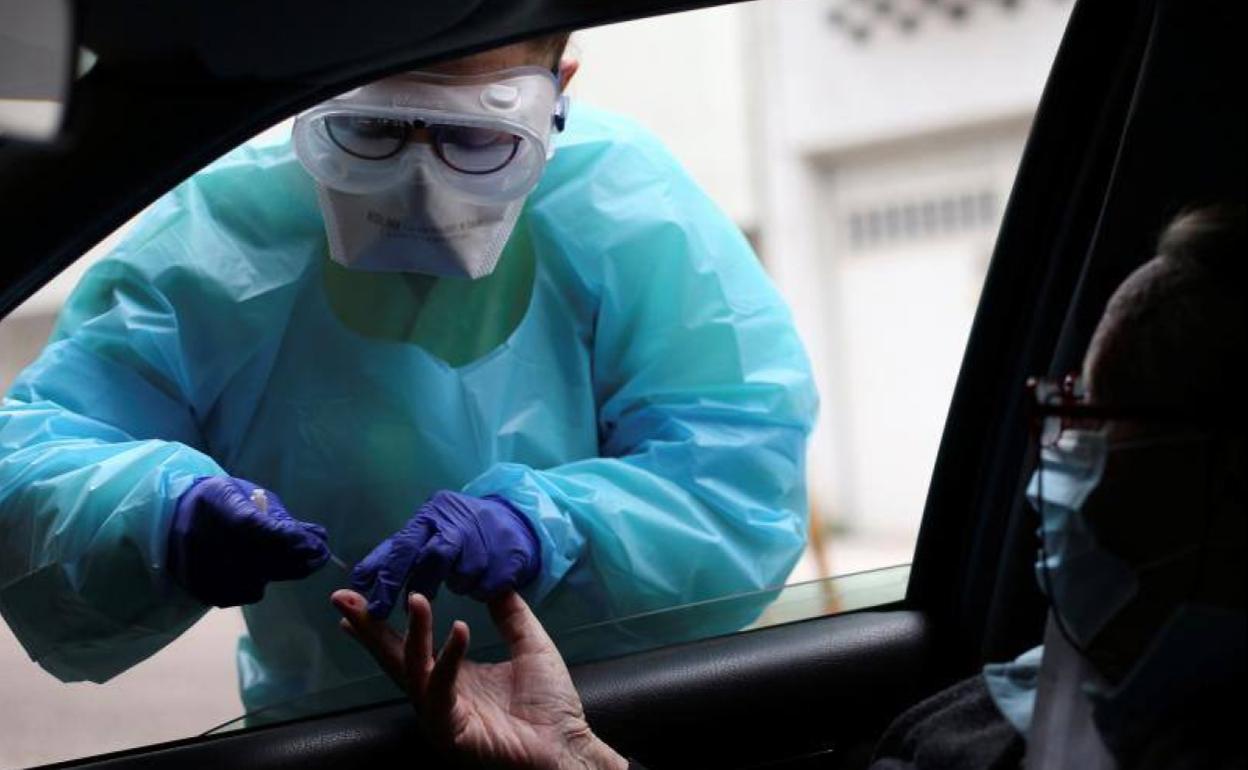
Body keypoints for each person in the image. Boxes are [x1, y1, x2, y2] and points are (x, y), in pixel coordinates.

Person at [0, 32, 818, 717]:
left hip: (600, 718)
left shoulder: (627, 209)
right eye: (370, 130)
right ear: (308, 94)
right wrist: (160, 515)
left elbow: (738, 478)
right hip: (330, 734)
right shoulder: (217, 241)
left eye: (478, 140)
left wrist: (548, 531)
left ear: (558, 90)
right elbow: (36, 456)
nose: (420, 189)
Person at [334, 204, 1245, 769]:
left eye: (1091, 417)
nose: (1056, 459)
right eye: (1061, 408)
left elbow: (736, 489)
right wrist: (574, 756)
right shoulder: (992, 722)